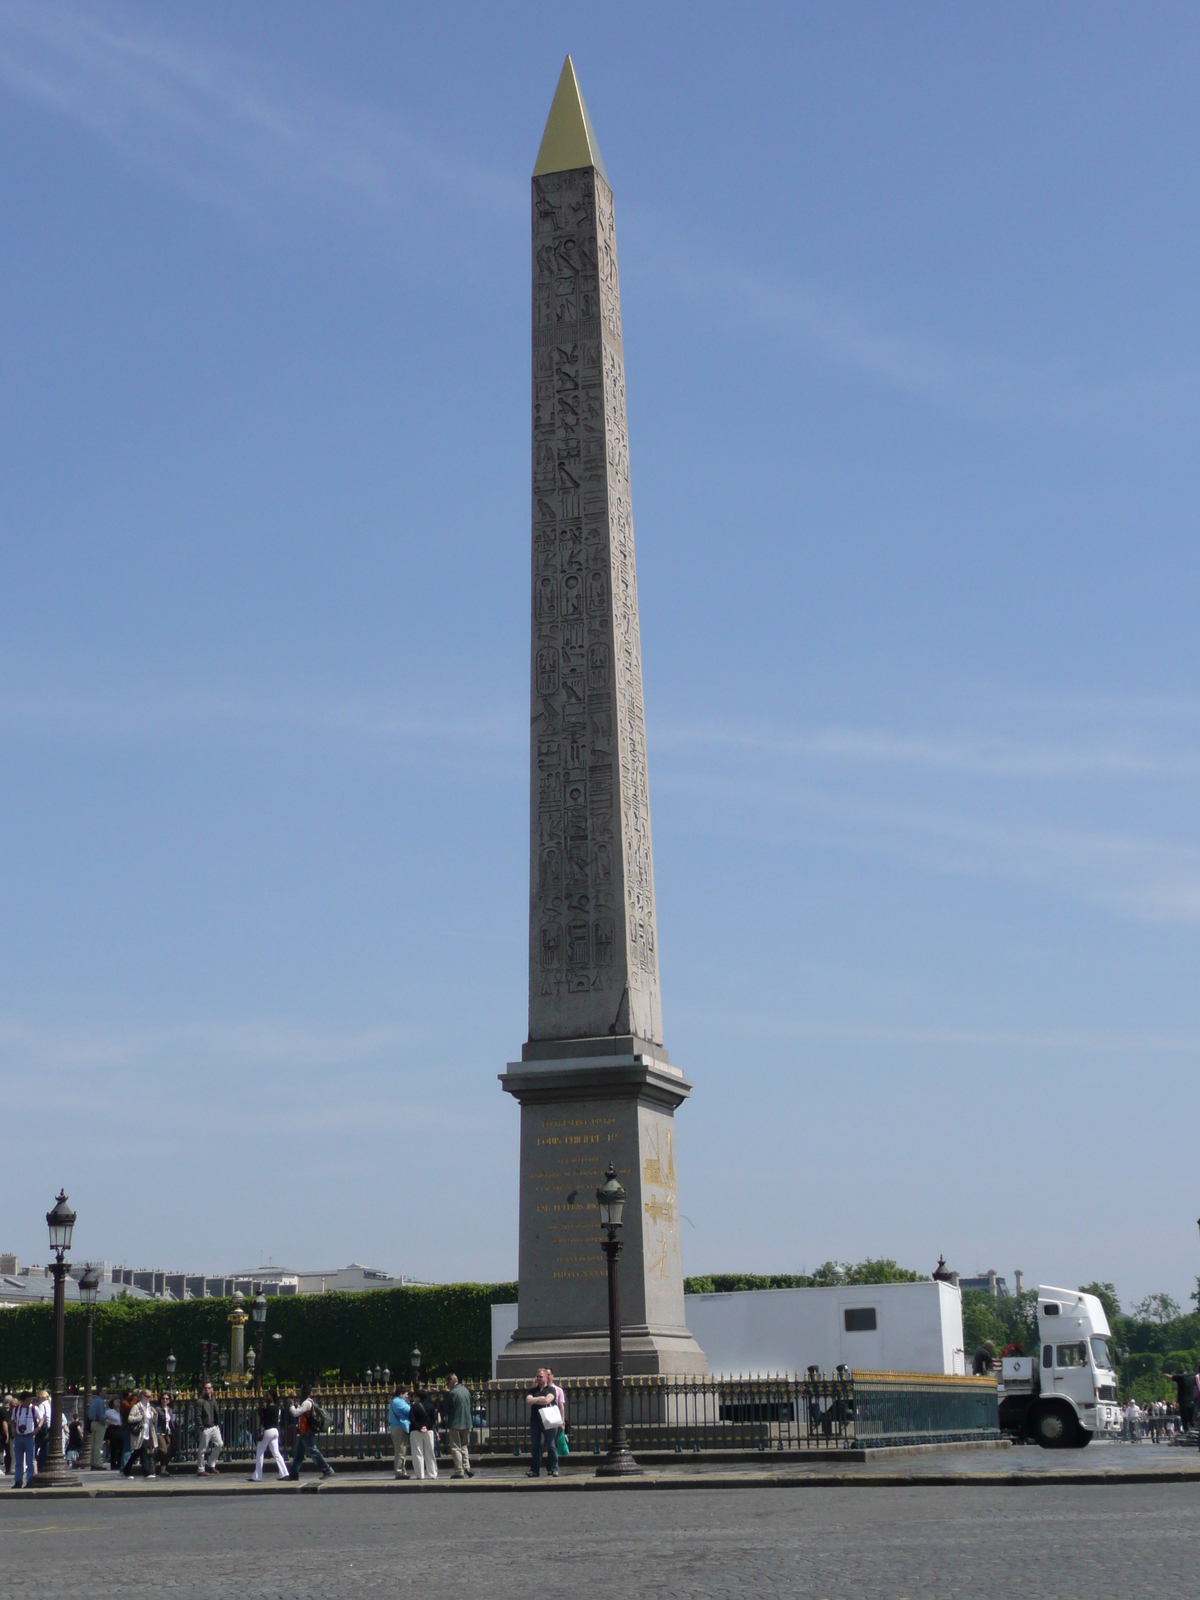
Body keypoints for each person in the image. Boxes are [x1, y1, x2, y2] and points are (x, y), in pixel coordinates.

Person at [288, 1386, 334, 1480]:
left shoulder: (306, 1403)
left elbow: (296, 1413)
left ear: (305, 1393)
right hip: (304, 1432)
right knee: (298, 1454)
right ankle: (293, 1474)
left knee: (313, 1452)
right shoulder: (308, 1402)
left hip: (307, 1432)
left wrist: (291, 1405)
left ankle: (327, 1469)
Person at [525, 1369, 562, 1478]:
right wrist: (540, 1398)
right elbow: (528, 1401)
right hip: (535, 1420)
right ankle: (535, 1470)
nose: (538, 1378)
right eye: (537, 1376)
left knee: (551, 1445)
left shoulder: (551, 1389)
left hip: (548, 1420)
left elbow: (547, 1401)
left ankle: (554, 1468)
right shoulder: (533, 1390)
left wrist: (536, 1400)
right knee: (536, 1446)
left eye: (541, 1376)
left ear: (546, 1377)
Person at [250, 1388, 289, 1481]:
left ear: (271, 1397)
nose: (265, 1397)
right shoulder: (276, 1407)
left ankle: (257, 1476)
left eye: (267, 1396)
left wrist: (260, 1412)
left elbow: (264, 1420)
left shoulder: (268, 1408)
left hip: (268, 1431)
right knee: (276, 1453)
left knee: (260, 1453)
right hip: (275, 1431)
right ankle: (284, 1473)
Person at [443, 1373, 474, 1479]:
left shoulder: (452, 1393)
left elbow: (445, 1409)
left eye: (447, 1382)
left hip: (455, 1423)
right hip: (467, 1422)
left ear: (451, 1381)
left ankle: (459, 1471)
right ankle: (467, 1467)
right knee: (464, 1446)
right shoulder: (466, 1391)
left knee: (456, 1448)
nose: (447, 1385)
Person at [123, 1390, 158, 1478]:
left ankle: (126, 1469)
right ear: (142, 1396)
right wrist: (140, 1416)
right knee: (143, 1450)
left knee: (136, 1453)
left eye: (150, 1396)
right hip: (139, 1433)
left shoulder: (150, 1407)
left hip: (148, 1432)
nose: (149, 1398)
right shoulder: (136, 1407)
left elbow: (153, 1420)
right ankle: (146, 1472)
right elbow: (130, 1419)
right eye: (147, 1396)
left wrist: (155, 1414)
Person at [407, 1388, 438, 1480]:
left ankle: (420, 1475)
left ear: (418, 1397)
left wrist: (419, 1427)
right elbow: (434, 1419)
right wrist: (426, 1427)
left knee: (418, 1453)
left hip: (416, 1431)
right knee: (430, 1452)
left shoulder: (414, 1407)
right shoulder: (431, 1406)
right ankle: (433, 1473)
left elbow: (412, 1419)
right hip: (428, 1431)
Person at [11, 1391, 39, 1489]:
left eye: (30, 1400)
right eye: (27, 1400)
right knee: (18, 1461)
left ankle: (30, 1481)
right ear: (22, 1401)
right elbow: (12, 1420)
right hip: (19, 1437)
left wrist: (37, 1429)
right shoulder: (16, 1409)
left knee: (30, 1460)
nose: (29, 1402)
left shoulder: (33, 1408)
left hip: (29, 1436)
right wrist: (13, 1429)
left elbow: (41, 1419)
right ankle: (18, 1481)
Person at [196, 1381, 223, 1474]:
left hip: (214, 1426)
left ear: (212, 1389)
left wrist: (217, 1423)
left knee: (219, 1444)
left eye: (208, 1388)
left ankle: (211, 1464)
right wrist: (201, 1427)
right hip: (206, 1427)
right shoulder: (201, 1401)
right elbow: (198, 1415)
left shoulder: (213, 1400)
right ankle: (201, 1469)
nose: (207, 1389)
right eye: (205, 1388)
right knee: (202, 1449)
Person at [387, 1382, 411, 1478]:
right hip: (399, 1427)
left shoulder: (396, 1401)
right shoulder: (398, 1401)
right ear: (401, 1393)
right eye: (406, 1394)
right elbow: (410, 1410)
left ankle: (402, 1471)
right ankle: (399, 1471)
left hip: (397, 1427)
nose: (407, 1396)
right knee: (400, 1450)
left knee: (401, 1450)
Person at [87, 1390, 107, 1470]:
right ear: (100, 1392)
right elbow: (101, 1414)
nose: (105, 1392)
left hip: (92, 1422)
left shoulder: (93, 1400)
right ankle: (97, 1463)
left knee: (93, 1444)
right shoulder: (100, 1401)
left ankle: (92, 1462)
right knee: (98, 1445)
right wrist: (104, 1422)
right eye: (103, 1391)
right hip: (99, 1423)